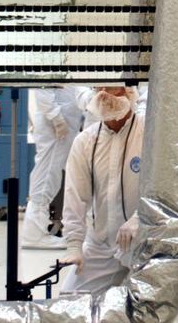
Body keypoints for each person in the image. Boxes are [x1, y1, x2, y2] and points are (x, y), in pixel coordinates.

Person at [60, 86, 144, 295]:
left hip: (146, 243)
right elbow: (75, 196)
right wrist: (74, 245)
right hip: (102, 245)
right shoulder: (86, 141)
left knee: (144, 310)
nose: (105, 96)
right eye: (100, 89)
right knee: (69, 302)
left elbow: (165, 186)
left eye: (113, 90)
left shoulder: (150, 132)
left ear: (129, 93)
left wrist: (141, 217)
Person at [22, 85, 88, 249]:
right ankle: (34, 234)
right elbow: (43, 87)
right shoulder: (51, 59)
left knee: (52, 175)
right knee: (47, 176)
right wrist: (56, 118)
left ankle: (36, 230)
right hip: (55, 125)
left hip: (66, 122)